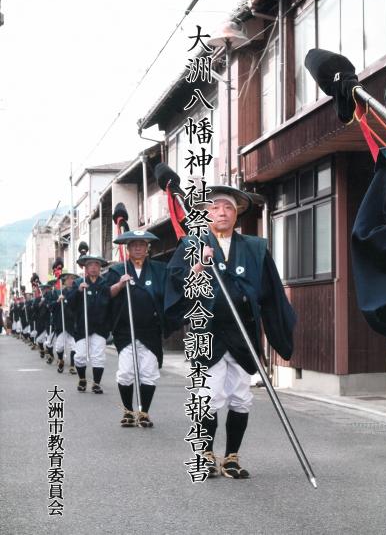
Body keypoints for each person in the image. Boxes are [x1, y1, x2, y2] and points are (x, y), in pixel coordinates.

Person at [165, 186, 296, 479]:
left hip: (243, 331)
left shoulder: (254, 248)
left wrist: (279, 330)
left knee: (240, 397)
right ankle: (207, 454)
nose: (221, 212)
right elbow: (176, 287)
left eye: (227, 208)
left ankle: (232, 457)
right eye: (214, 208)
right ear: (205, 214)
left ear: (237, 214)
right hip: (208, 330)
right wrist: (198, 267)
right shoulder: (190, 245)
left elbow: (270, 292)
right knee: (208, 394)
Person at [107, 230, 168, 427]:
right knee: (126, 372)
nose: (138, 248)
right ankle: (127, 411)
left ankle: (144, 412)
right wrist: (119, 284)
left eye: (142, 244)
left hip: (150, 329)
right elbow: (106, 294)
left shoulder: (159, 269)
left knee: (148, 372)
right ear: (128, 248)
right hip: (126, 330)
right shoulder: (117, 270)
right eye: (134, 245)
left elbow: (169, 291)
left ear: (147, 248)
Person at [66, 255, 110, 393]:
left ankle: (96, 383)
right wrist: (79, 291)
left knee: (98, 356)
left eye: (96, 265)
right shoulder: (78, 282)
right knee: (79, 356)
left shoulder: (105, 283)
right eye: (90, 265)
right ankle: (82, 378)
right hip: (81, 326)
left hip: (100, 326)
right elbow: (70, 303)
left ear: (100, 267)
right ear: (85, 267)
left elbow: (109, 303)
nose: (93, 268)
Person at [51, 273, 78, 374]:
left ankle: (72, 365)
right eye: (68, 279)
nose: (71, 281)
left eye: (72, 279)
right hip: (61, 323)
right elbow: (51, 307)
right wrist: (59, 300)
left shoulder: (77, 292)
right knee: (59, 346)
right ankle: (61, 359)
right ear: (64, 282)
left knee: (74, 346)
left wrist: (66, 300)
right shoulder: (58, 292)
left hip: (72, 323)